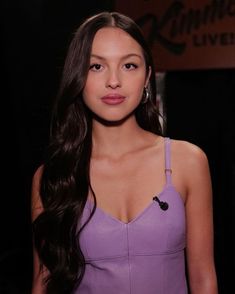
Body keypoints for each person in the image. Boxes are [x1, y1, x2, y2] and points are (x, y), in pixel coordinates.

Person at [31, 11, 218, 294]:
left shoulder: (187, 161)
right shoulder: (53, 175)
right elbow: (43, 282)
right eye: (96, 66)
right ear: (77, 76)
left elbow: (204, 279)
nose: (114, 81)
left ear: (147, 77)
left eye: (129, 65)